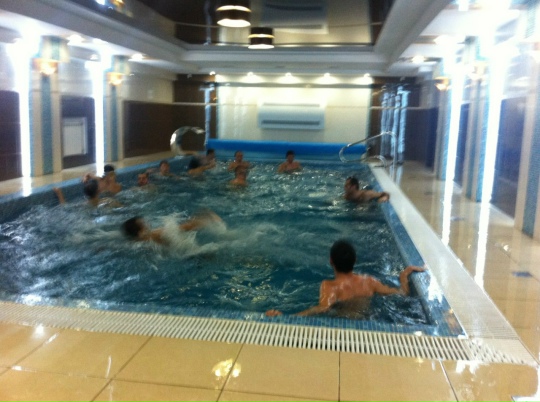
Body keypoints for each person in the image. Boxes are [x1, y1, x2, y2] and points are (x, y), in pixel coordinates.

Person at [266, 239, 424, 317]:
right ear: (355, 261)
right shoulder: (369, 281)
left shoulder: (329, 286)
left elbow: (323, 308)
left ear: (331, 261)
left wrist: (288, 317)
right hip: (366, 321)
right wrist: (404, 274)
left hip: (342, 325)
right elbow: (403, 294)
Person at [121, 210, 223, 244]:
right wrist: (209, 219)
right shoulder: (156, 234)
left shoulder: (136, 242)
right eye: (144, 223)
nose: (148, 223)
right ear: (140, 232)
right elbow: (188, 226)